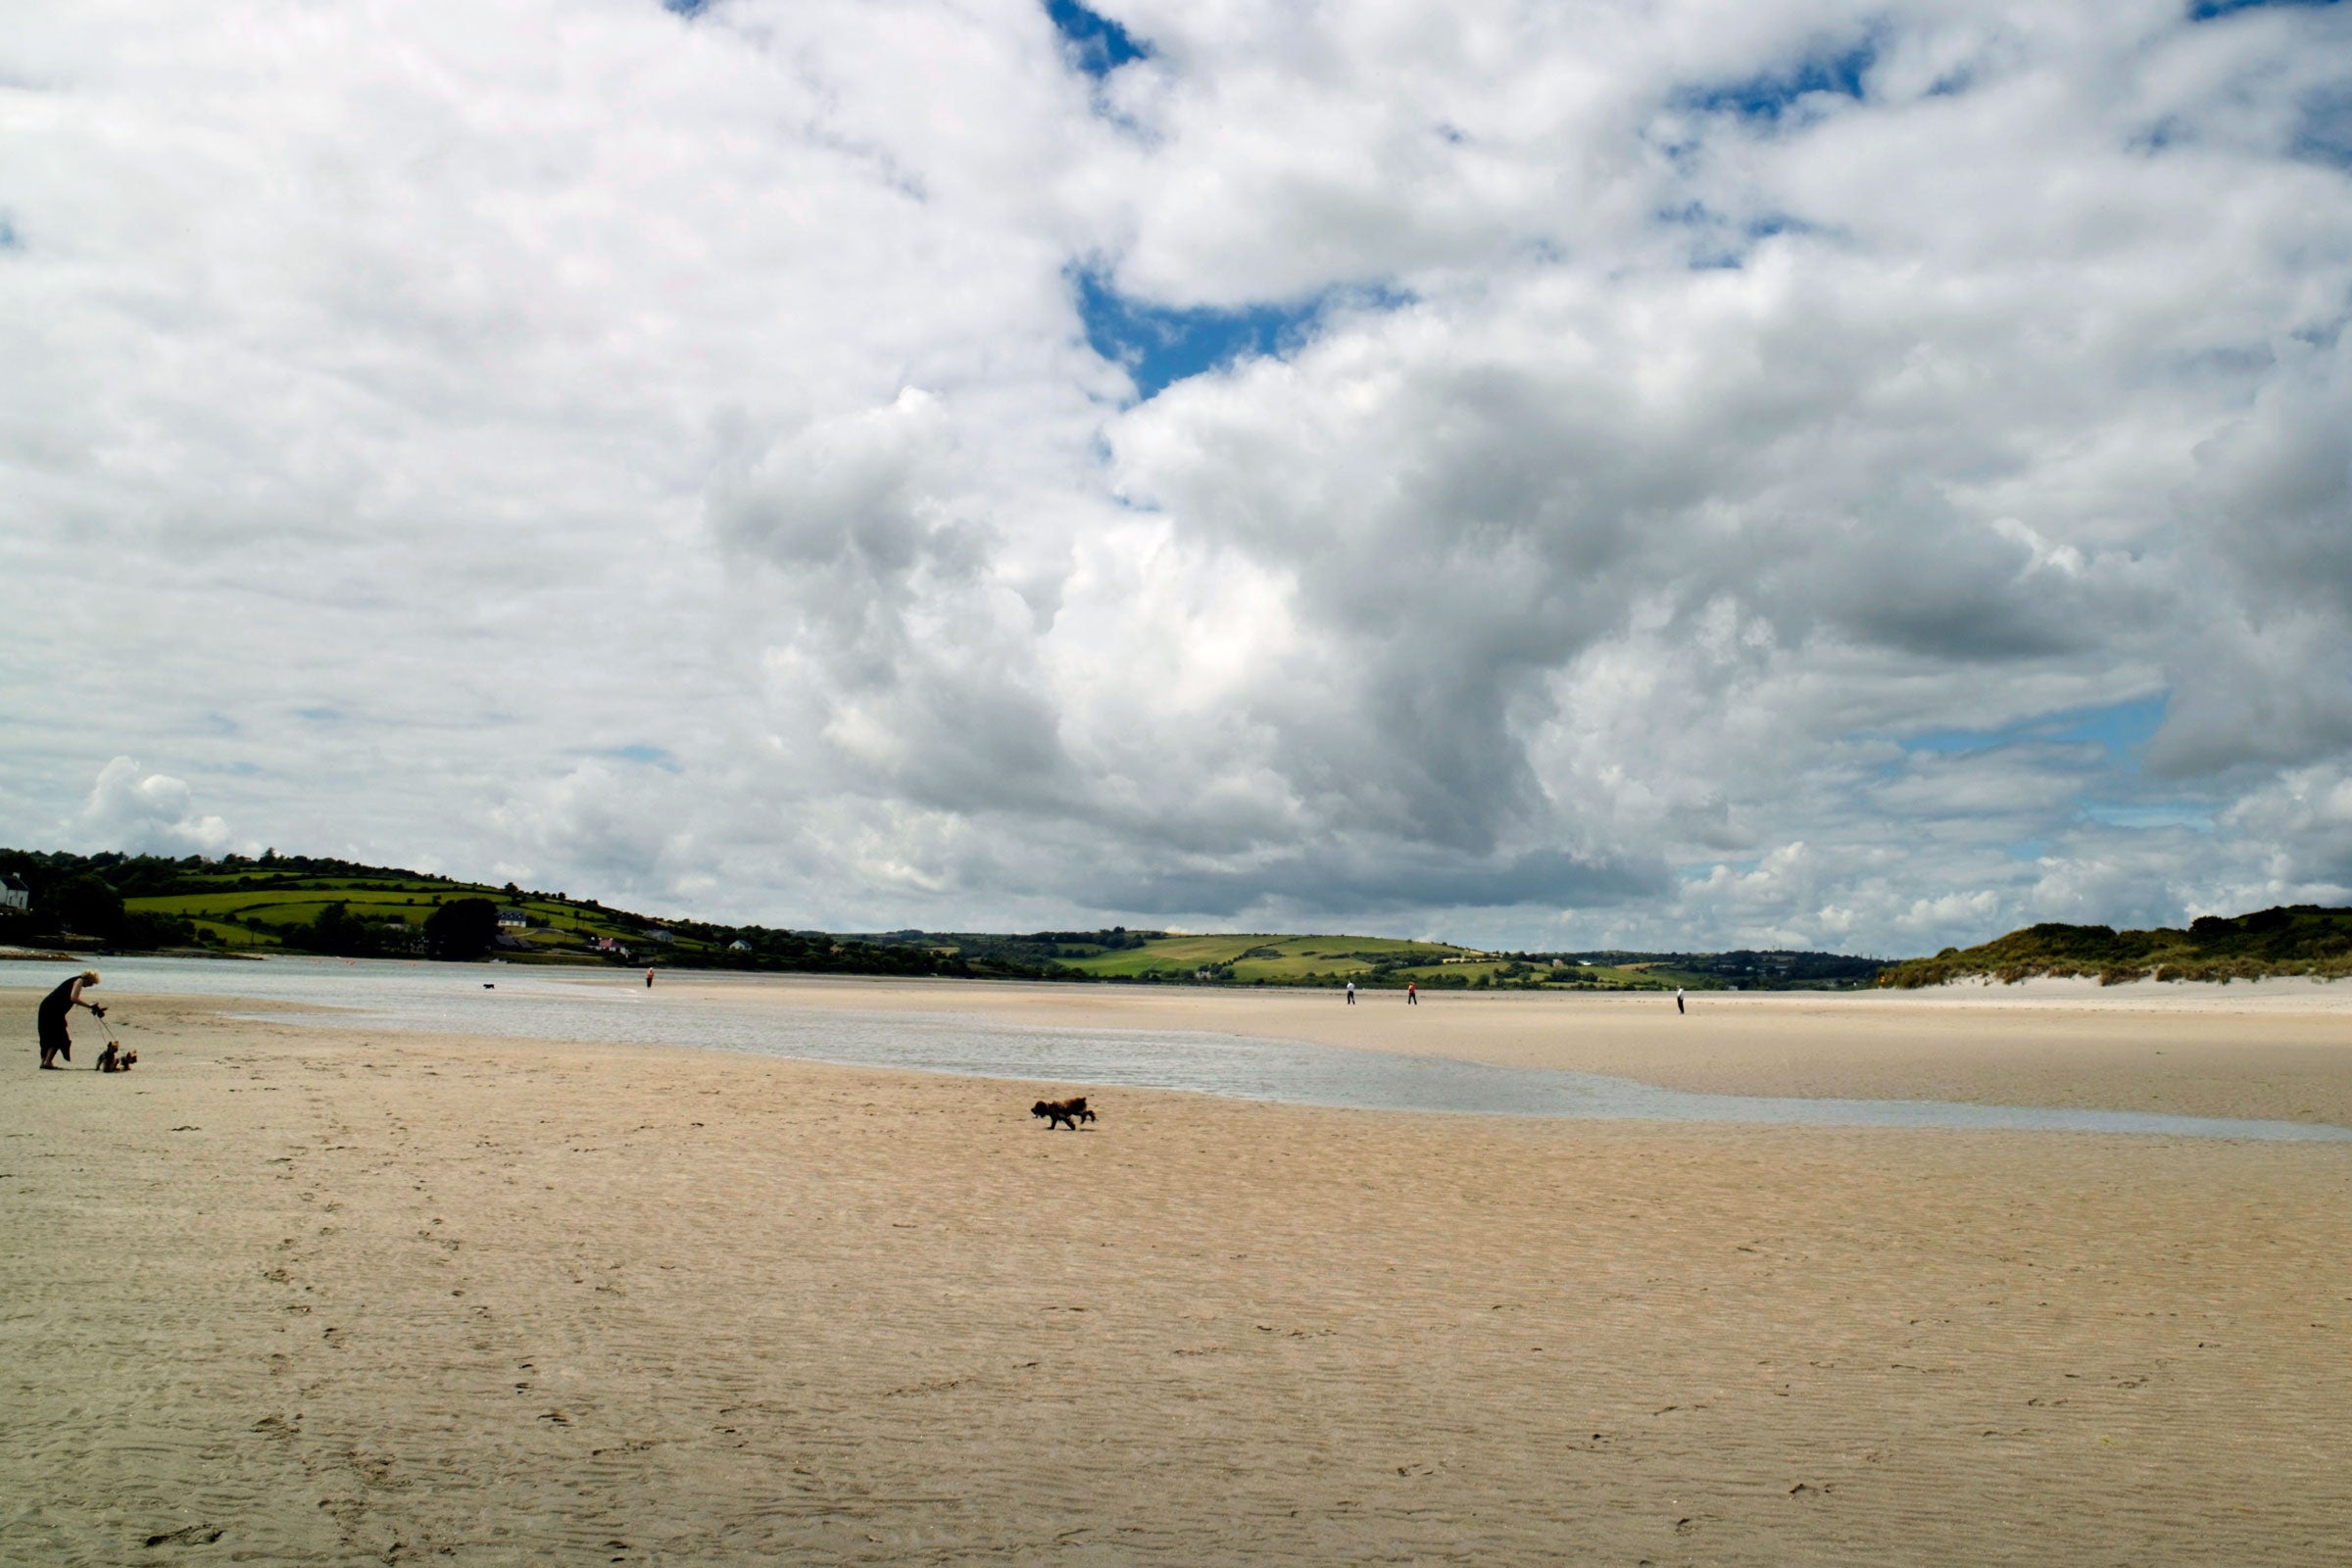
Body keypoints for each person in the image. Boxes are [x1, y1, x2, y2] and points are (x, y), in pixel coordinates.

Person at [37, 969, 102, 1069]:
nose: (91, 985)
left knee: (48, 1035)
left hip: (49, 1007)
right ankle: (47, 1062)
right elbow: (73, 998)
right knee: (60, 1036)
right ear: (88, 979)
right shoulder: (79, 981)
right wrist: (89, 1006)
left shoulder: (75, 980)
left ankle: (44, 1061)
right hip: (52, 1009)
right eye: (92, 983)